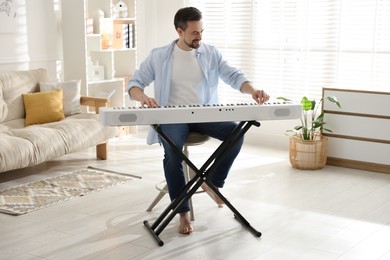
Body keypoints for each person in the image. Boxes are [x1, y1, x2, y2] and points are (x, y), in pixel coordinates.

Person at [128, 7, 270, 235]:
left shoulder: (211, 53)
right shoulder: (159, 55)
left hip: (205, 114)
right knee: (173, 154)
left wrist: (252, 90)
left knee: (236, 134)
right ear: (179, 31)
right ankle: (182, 212)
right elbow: (135, 83)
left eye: (202, 31)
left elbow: (233, 76)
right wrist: (143, 97)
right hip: (172, 117)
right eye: (194, 32)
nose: (200, 37)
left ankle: (212, 182)